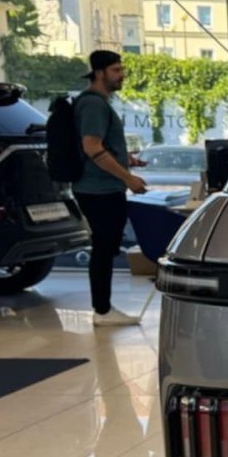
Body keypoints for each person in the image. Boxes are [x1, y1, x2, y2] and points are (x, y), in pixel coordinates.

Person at [72, 50, 148, 327]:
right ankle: (102, 310)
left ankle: (103, 308)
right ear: (99, 73)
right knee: (103, 248)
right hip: (98, 189)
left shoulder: (97, 103)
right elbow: (91, 147)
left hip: (101, 186)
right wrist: (128, 178)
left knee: (105, 246)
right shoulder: (93, 104)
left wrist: (125, 160)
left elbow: (100, 147)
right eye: (116, 70)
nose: (121, 75)